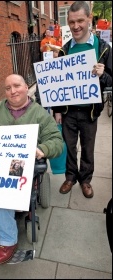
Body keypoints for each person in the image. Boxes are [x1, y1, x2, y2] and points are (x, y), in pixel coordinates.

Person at [0, 74, 64, 265]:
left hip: (19, 164)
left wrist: (42, 149)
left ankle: (7, 241)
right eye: (7, 88)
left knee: (5, 187)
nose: (12, 91)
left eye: (16, 86)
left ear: (26, 87)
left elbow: (57, 141)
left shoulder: (39, 114)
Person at [53, 1, 112, 198]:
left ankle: (85, 180)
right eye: (71, 22)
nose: (75, 26)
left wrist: (103, 75)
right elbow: (57, 84)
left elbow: (111, 80)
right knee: (69, 147)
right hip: (69, 111)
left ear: (89, 18)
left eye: (80, 20)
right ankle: (70, 177)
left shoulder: (103, 48)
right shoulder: (64, 50)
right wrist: (57, 109)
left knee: (88, 148)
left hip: (90, 111)